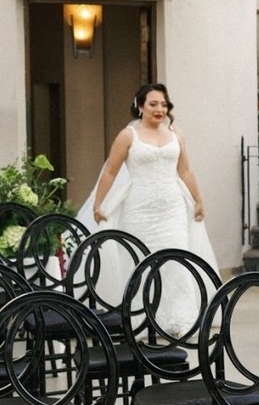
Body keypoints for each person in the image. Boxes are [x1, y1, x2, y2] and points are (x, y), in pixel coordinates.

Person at [78, 83, 217, 327]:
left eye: (164, 104)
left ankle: (180, 320)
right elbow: (110, 171)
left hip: (172, 208)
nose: (159, 109)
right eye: (153, 104)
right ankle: (142, 320)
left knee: (176, 260)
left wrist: (199, 200)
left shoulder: (175, 134)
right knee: (140, 261)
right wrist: (98, 203)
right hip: (139, 210)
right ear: (140, 106)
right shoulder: (128, 135)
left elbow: (185, 170)